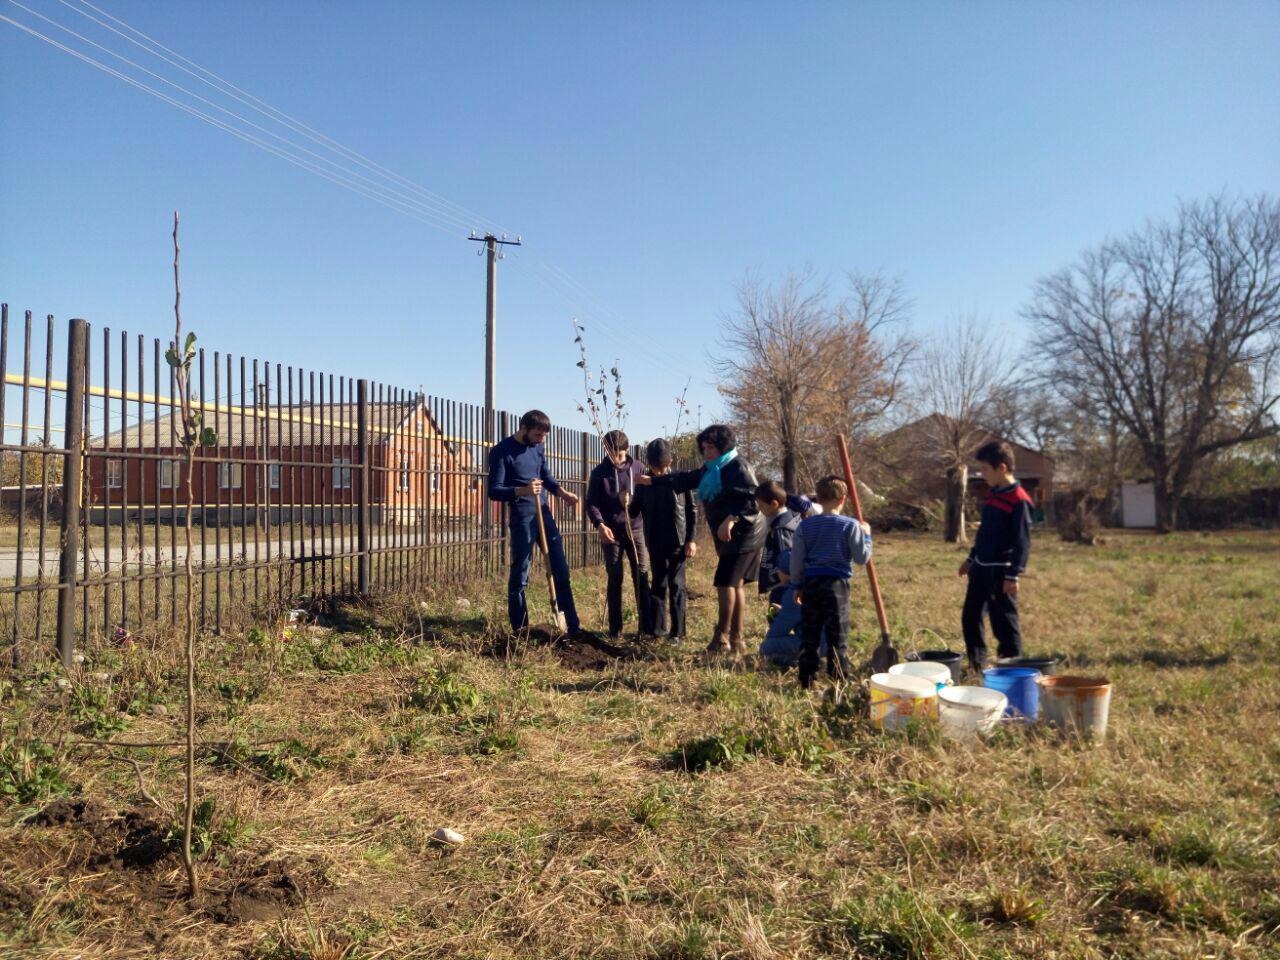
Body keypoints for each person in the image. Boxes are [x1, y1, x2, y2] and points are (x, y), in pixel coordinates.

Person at [637, 424, 765, 655]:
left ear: (723, 446)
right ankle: (737, 640)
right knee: (734, 585)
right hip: (730, 536)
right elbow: (685, 479)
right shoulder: (712, 468)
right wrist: (651, 482)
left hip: (745, 535)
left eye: (711, 447)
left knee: (725, 583)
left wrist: (732, 518)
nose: (706, 451)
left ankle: (721, 638)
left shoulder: (738, 466)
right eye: (704, 447)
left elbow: (753, 500)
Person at [486, 409, 581, 637]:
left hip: (544, 513)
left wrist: (562, 492)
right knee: (521, 571)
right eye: (538, 434)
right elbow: (494, 490)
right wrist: (523, 490)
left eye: (544, 435)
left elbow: (545, 476)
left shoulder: (538, 448)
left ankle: (571, 625)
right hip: (522, 516)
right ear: (524, 429)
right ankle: (521, 628)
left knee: (560, 568)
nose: (542, 439)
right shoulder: (502, 451)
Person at [790, 475, 873, 688]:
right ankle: (838, 681)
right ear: (843, 499)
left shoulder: (805, 526)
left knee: (810, 633)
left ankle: (806, 680)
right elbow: (861, 558)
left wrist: (797, 584)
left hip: (811, 583)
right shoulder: (851, 526)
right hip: (837, 585)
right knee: (838, 633)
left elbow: (797, 559)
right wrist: (867, 536)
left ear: (817, 498)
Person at [960, 440, 1033, 673]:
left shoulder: (1019, 500)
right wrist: (971, 558)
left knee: (1003, 622)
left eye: (985, 470)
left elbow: (1022, 541)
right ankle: (977, 664)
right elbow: (984, 534)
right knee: (970, 616)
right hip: (980, 567)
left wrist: (1013, 575)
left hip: (1001, 570)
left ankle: (1010, 666)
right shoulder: (993, 495)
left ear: (1002, 468)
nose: (982, 475)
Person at [586, 429, 651, 639]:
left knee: (641, 575)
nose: (615, 459)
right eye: (611, 453)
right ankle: (615, 629)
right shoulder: (599, 473)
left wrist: (633, 502)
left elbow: (648, 495)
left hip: (636, 530)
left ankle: (645, 627)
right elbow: (591, 504)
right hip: (611, 532)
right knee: (615, 577)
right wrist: (600, 524)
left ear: (627, 450)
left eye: (620, 455)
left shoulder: (639, 469)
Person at [630, 438, 697, 642]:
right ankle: (658, 630)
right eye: (655, 467)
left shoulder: (678, 480)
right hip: (655, 540)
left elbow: (691, 510)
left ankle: (678, 632)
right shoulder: (643, 483)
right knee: (658, 584)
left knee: (677, 584)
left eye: (663, 466)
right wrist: (625, 499)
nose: (659, 471)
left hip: (677, 540)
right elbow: (633, 512)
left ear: (670, 462)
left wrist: (691, 540)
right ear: (649, 464)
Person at [755, 480, 828, 667]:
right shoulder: (792, 519)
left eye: (761, 506)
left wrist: (782, 577)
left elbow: (787, 559)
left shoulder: (782, 529)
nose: (759, 509)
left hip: (784, 587)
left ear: (774, 504)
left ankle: (795, 654)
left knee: (772, 635)